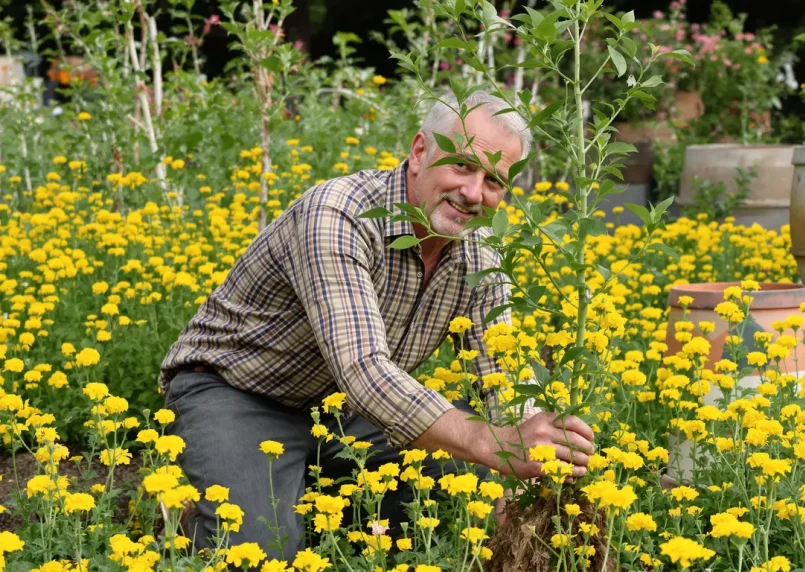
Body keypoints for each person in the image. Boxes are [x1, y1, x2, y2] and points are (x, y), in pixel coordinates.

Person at [157, 90, 596, 560]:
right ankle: (197, 505)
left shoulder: (481, 253)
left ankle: (301, 491)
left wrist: (525, 456)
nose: (474, 193)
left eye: (494, 180)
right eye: (463, 166)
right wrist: (489, 441)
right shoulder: (338, 213)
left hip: (346, 415)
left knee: (440, 501)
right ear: (419, 151)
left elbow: (501, 370)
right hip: (238, 392)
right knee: (259, 551)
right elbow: (363, 368)